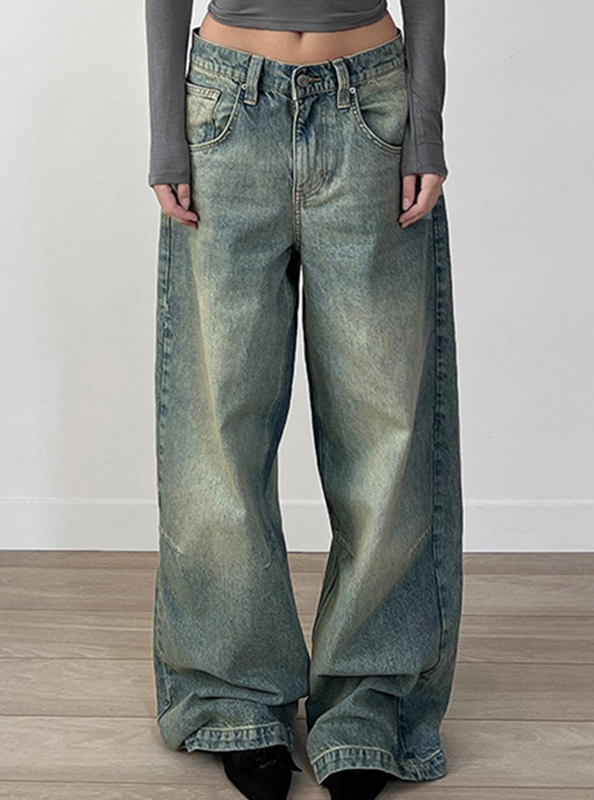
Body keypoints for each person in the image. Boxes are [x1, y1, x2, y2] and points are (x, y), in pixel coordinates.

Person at [145, 2, 463, 800]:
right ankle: (234, 694)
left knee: (386, 428)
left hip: (372, 108)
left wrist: (425, 125)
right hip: (226, 109)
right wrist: (166, 132)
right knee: (218, 425)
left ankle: (367, 703)